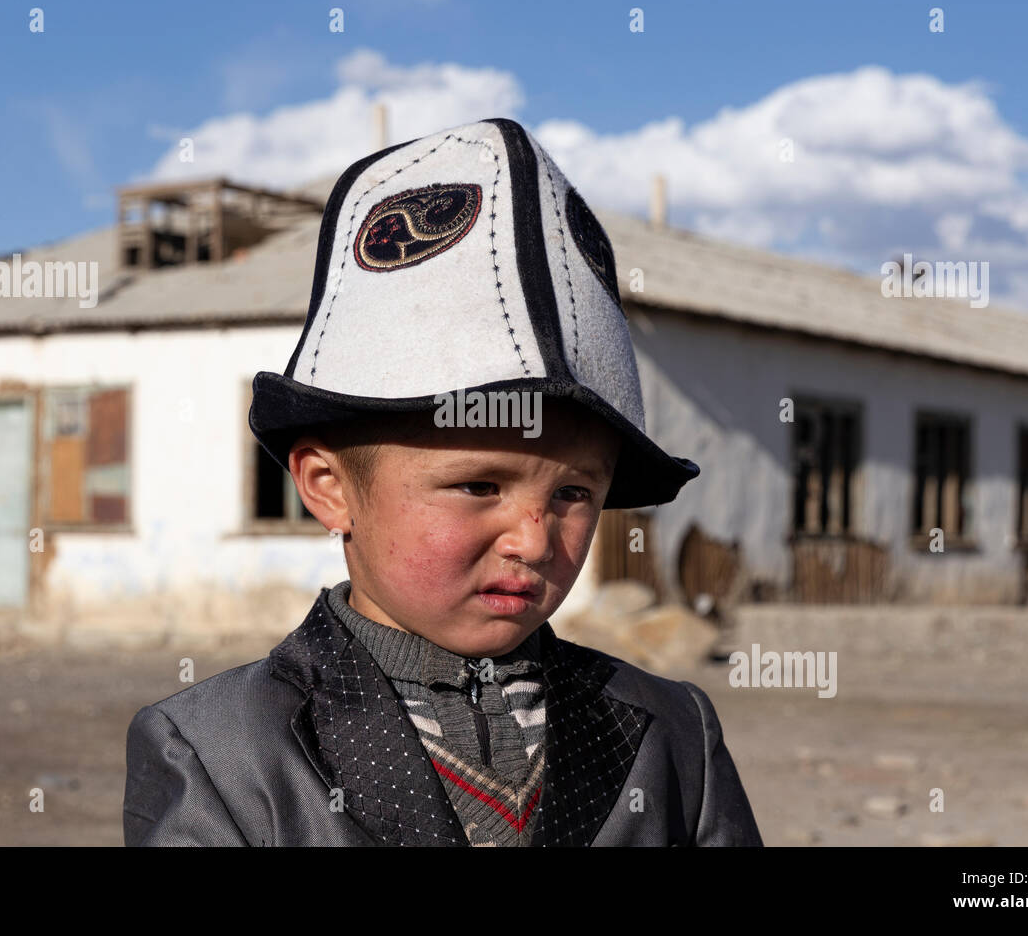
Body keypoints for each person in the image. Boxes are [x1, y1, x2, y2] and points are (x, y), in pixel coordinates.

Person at [123, 117, 762, 847]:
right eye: (478, 487)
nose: (532, 540)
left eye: (572, 494)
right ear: (329, 486)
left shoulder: (673, 734)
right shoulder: (219, 752)